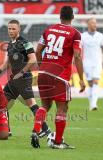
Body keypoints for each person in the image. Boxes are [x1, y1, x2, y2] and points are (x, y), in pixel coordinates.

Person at [30, 6, 86, 149]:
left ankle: (36, 130)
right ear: (72, 17)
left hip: (43, 74)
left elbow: (38, 51)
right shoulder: (75, 34)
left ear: (59, 17)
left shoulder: (48, 30)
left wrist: (42, 67)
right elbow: (77, 56)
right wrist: (81, 78)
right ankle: (58, 142)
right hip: (60, 76)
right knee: (62, 108)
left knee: (45, 106)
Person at [0, 20, 51, 137]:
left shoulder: (25, 43)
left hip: (23, 78)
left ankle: (45, 129)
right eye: (9, 28)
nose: (11, 31)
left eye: (13, 29)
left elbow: (33, 59)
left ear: (19, 29)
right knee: (1, 103)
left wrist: (22, 72)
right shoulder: (10, 44)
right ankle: (7, 129)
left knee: (32, 104)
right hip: (14, 80)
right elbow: (7, 63)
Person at [81, 18, 103, 111]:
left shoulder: (100, 35)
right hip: (87, 62)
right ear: (88, 24)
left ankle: (94, 104)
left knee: (96, 81)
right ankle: (91, 104)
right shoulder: (83, 36)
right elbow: (79, 48)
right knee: (90, 83)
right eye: (93, 23)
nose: (95, 25)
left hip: (98, 62)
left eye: (95, 23)